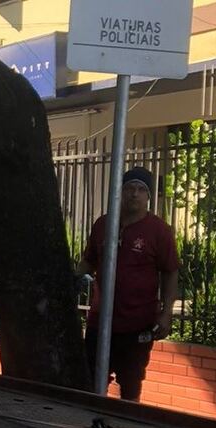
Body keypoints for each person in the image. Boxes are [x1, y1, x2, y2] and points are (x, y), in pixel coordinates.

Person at [76, 166, 179, 401]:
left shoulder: (159, 231)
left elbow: (171, 272)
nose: (134, 194)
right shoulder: (103, 225)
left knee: (131, 385)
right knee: (92, 381)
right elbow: (89, 261)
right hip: (100, 323)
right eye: (129, 188)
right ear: (120, 192)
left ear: (148, 196)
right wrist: (72, 277)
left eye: (141, 189)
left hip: (137, 324)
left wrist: (166, 313)